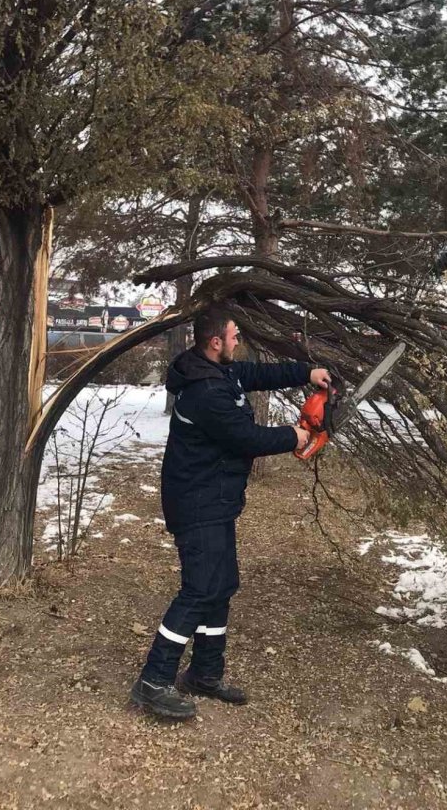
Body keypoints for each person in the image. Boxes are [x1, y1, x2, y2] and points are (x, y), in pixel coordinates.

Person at [130, 305, 331, 719]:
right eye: (234, 336)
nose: (238, 342)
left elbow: (258, 375)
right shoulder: (205, 391)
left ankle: (205, 673)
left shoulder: (220, 371)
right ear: (215, 341)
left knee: (221, 585)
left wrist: (305, 374)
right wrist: (293, 435)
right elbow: (245, 437)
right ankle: (153, 680)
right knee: (200, 589)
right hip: (196, 500)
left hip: (216, 498)